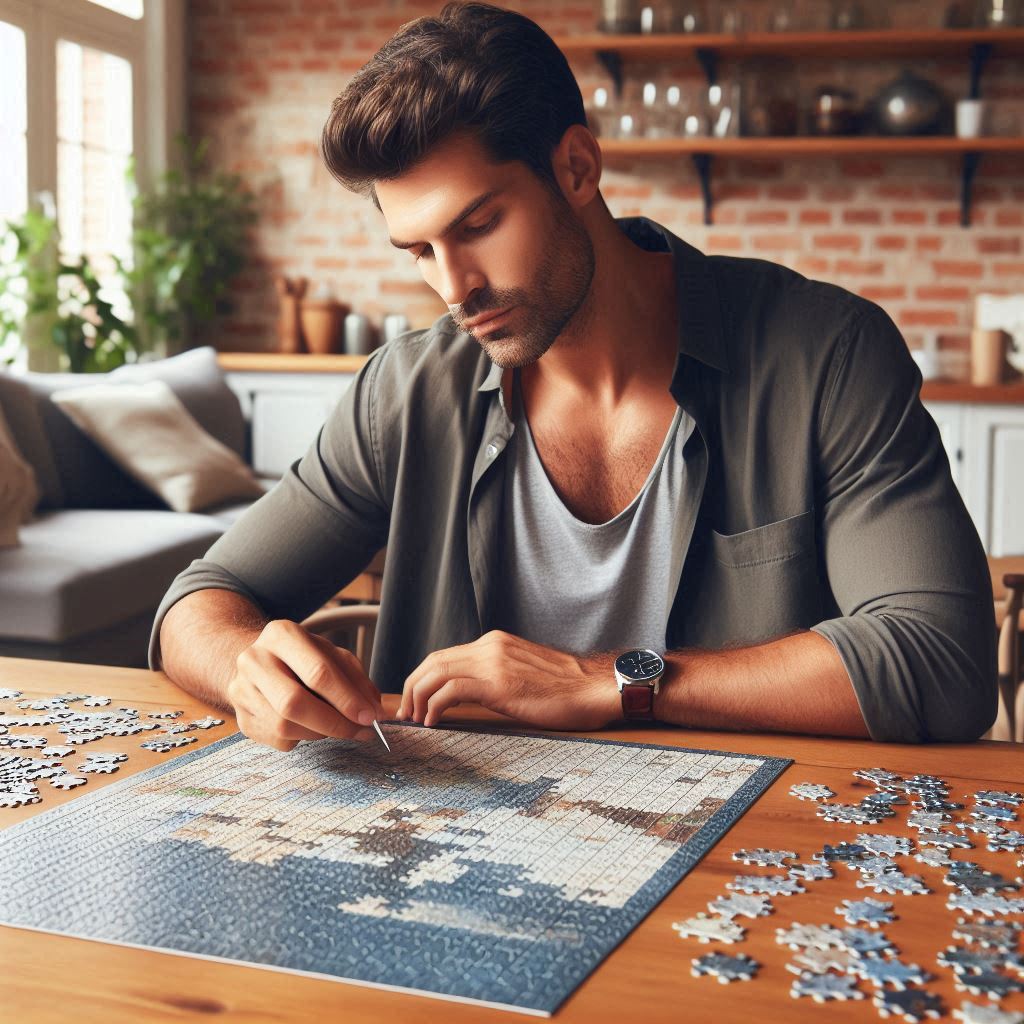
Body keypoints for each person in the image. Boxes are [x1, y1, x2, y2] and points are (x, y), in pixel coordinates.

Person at [150, 2, 996, 751]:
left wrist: (612, 682)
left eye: (478, 224)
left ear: (578, 168)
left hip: (748, 857)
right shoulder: (405, 393)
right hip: (447, 855)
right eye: (418, 252)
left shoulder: (829, 356)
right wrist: (245, 673)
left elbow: (942, 659)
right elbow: (202, 600)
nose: (455, 289)